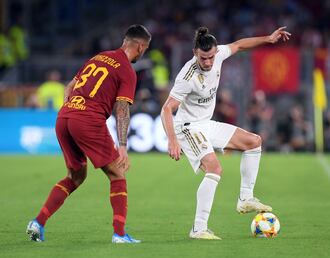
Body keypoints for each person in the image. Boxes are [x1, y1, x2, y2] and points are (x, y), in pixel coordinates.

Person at [161, 26, 290, 240]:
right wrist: (172, 141)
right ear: (195, 53)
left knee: (254, 141)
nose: (209, 62)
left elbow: (239, 45)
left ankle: (245, 198)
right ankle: (198, 228)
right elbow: (166, 108)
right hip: (188, 127)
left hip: (205, 123)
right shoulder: (187, 75)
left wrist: (268, 39)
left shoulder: (219, 53)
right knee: (215, 168)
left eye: (211, 57)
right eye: (204, 58)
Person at [26, 24, 151, 244]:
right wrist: (123, 145)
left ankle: (38, 222)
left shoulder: (99, 57)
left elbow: (69, 86)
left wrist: (71, 111)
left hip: (64, 117)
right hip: (88, 120)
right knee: (117, 174)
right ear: (140, 47)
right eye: (145, 49)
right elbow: (122, 108)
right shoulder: (126, 70)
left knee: (76, 176)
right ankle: (119, 235)